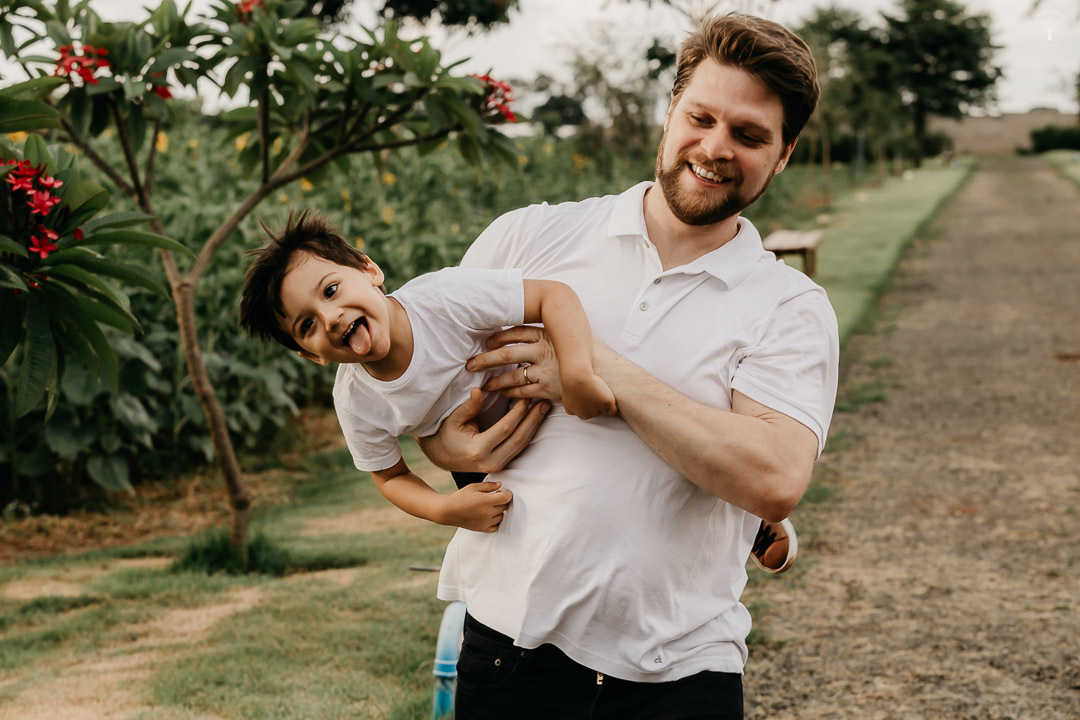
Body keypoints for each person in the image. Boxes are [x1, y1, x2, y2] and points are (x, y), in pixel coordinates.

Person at [417, 13, 839, 719]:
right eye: (701, 117)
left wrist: (591, 370)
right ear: (671, 111)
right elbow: (422, 385)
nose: (715, 147)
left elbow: (773, 478)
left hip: (681, 676)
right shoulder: (528, 238)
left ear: (784, 153)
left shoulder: (789, 306)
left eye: (748, 135)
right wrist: (444, 448)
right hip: (508, 655)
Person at [238, 211, 615, 532]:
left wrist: (577, 374)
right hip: (476, 469)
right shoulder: (355, 401)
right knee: (521, 536)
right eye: (307, 325)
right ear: (311, 355)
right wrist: (445, 509)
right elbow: (390, 476)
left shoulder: (444, 299)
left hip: (547, 404)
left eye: (331, 290)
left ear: (370, 271)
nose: (330, 318)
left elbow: (553, 295)